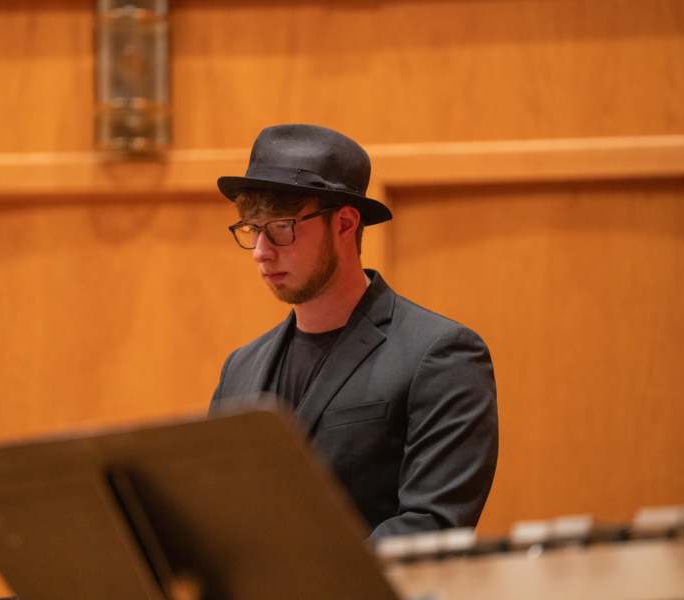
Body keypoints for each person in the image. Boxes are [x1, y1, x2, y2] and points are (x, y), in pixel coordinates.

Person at [210, 124, 498, 539]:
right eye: (253, 229)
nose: (260, 251)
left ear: (345, 224)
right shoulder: (239, 369)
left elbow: (431, 523)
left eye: (282, 227)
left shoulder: (440, 354)